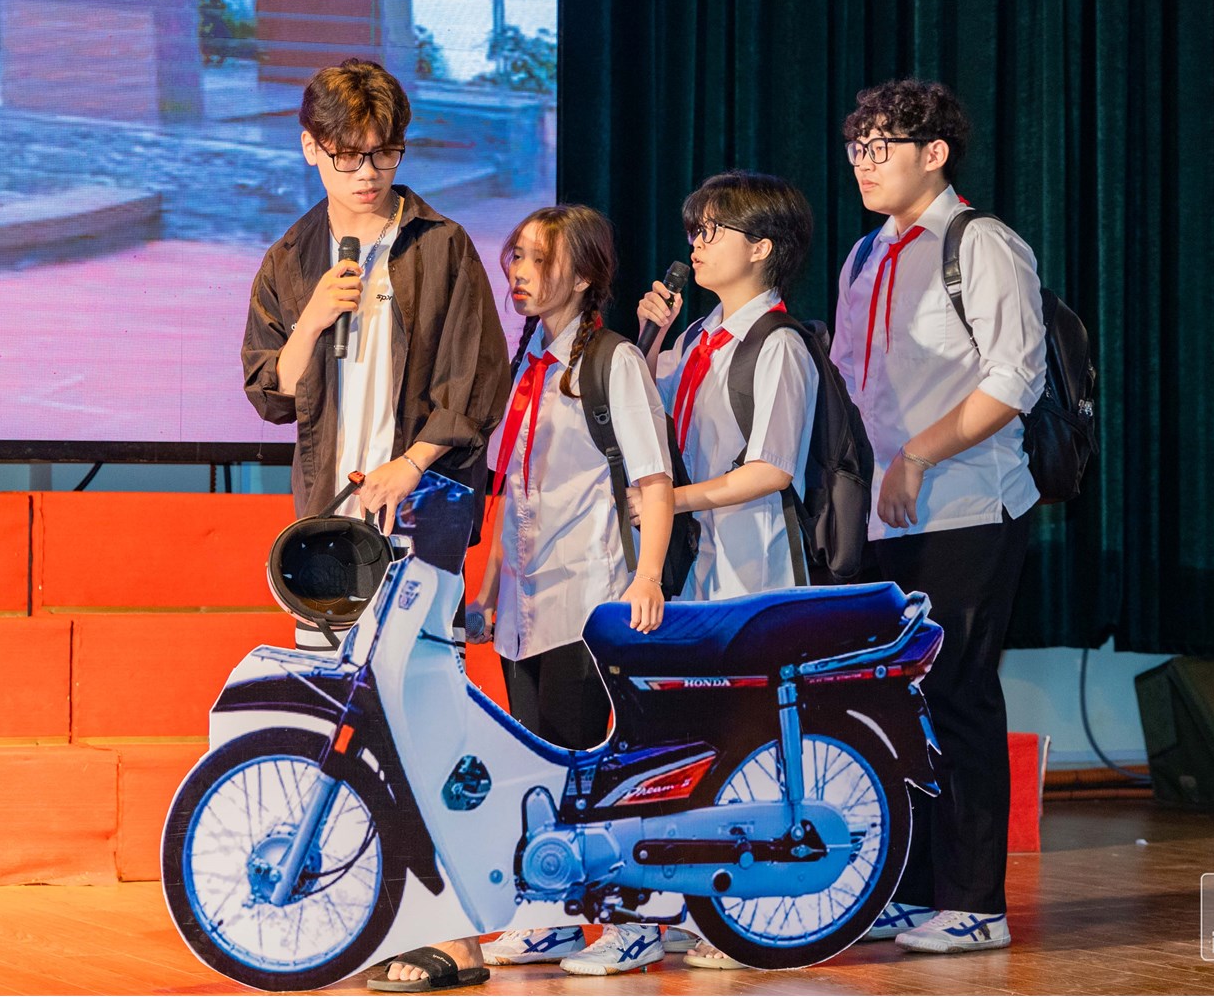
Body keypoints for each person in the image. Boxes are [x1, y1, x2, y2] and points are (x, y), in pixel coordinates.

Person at [393, 205, 679, 988]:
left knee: (596, 763)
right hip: (526, 603)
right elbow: (513, 490)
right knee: (539, 764)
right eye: (515, 256)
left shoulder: (614, 361)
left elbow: (654, 480)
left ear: (582, 275)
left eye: (536, 259)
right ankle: (551, 911)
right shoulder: (526, 362)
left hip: (591, 596)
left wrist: (648, 577)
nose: (517, 272)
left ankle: (632, 921)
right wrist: (487, 587)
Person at [830, 78, 1048, 955]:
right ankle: (913, 889)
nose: (864, 164)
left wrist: (918, 453)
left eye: (881, 147)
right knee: (893, 705)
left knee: (957, 693)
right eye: (856, 148)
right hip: (881, 518)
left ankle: (976, 901)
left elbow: (1015, 377)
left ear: (935, 153)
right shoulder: (861, 256)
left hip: (966, 504)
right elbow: (848, 381)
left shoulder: (981, 243)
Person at [632, 170, 818, 971]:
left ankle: (757, 913)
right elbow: (641, 421)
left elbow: (772, 468)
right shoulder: (696, 340)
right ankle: (705, 899)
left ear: (763, 248)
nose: (696, 244)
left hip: (761, 571)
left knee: (758, 740)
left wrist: (672, 500)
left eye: (713, 230)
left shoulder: (779, 346)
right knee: (707, 736)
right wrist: (649, 340)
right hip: (705, 567)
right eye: (695, 230)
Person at [241, 58, 511, 529]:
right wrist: (311, 321)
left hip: (421, 498)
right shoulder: (288, 259)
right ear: (311, 147)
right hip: (327, 502)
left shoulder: (441, 245)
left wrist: (410, 465)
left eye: (383, 153)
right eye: (348, 156)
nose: (367, 173)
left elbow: (476, 381)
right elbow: (273, 398)